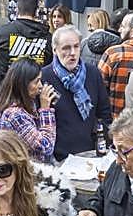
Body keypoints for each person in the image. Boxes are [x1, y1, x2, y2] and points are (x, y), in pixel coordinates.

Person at [41, 25, 111, 160]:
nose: (72, 52)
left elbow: (104, 113)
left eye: (76, 46)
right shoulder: (44, 76)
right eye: (66, 48)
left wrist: (101, 141)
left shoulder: (92, 73)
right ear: (55, 50)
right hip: (59, 156)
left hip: (90, 152)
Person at [0, 59, 57, 163]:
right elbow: (46, 146)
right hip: (28, 173)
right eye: (36, 81)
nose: (41, 86)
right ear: (23, 84)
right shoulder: (14, 115)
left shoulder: (26, 103)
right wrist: (46, 110)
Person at [0, 0, 52, 84]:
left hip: (7, 89)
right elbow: (50, 63)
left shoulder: (3, 32)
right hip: (36, 89)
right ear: (36, 11)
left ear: (17, 10)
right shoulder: (47, 36)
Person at [99, 10, 133, 120]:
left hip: (118, 121)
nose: (119, 30)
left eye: (123, 26)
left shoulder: (113, 54)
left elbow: (98, 87)